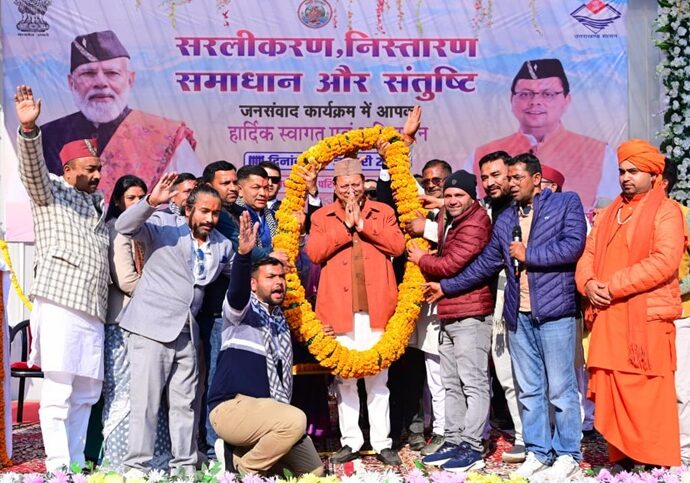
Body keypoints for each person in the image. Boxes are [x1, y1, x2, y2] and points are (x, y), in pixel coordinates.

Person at [426, 153, 586, 480]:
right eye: (508, 178)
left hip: (555, 311)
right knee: (528, 388)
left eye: (517, 178)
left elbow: (573, 247)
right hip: (519, 314)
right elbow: (487, 263)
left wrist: (530, 254)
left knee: (560, 389)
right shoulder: (507, 218)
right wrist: (447, 287)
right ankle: (538, 451)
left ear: (536, 179)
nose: (510, 184)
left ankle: (568, 454)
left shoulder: (565, 203)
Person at [14, 84, 109, 471]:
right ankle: (57, 467)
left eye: (99, 168)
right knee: (59, 391)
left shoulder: (99, 207)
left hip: (93, 309)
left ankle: (76, 464)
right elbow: (33, 172)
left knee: (86, 393)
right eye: (90, 169)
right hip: (60, 304)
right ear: (68, 171)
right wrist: (29, 130)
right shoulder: (51, 193)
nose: (98, 175)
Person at [576, 140, 686, 469]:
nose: (625, 177)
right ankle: (622, 458)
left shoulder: (667, 211)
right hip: (609, 316)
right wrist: (589, 284)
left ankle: (651, 462)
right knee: (614, 387)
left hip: (645, 318)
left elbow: (664, 262)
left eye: (633, 171)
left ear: (654, 175)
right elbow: (587, 256)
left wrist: (611, 286)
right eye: (622, 171)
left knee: (646, 391)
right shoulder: (609, 213)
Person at [116, 180, 234, 473]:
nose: (210, 219)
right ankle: (137, 468)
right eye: (204, 211)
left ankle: (184, 467)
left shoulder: (222, 244)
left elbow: (242, 274)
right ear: (188, 209)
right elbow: (124, 226)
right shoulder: (164, 226)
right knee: (145, 403)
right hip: (151, 327)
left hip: (188, 332)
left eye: (216, 213)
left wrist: (247, 254)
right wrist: (149, 203)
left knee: (186, 404)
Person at [305, 157, 406, 466]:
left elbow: (397, 246)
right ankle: (350, 441)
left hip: (377, 307)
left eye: (356, 184)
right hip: (339, 309)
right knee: (345, 379)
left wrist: (362, 224)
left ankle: (381, 442)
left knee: (378, 380)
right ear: (334, 187)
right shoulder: (322, 216)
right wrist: (345, 226)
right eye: (344, 185)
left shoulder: (383, 212)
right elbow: (314, 252)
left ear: (364, 184)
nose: (351, 190)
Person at [208, 212, 323, 476]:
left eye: (281, 277)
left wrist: (325, 339)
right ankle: (241, 470)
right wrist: (243, 255)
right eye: (270, 277)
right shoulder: (240, 312)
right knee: (295, 419)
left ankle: (238, 456)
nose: (279, 282)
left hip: (269, 414)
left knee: (313, 472)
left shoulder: (280, 320)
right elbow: (236, 292)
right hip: (231, 408)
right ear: (253, 284)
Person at [40, 29, 202, 202]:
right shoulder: (47, 137)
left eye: (112, 73)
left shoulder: (166, 135)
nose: (101, 82)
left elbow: (193, 198)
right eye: (88, 74)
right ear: (72, 83)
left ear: (130, 80)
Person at [407, 170, 493, 472]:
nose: (453, 201)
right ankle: (454, 440)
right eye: (448, 196)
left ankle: (472, 446)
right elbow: (444, 214)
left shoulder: (475, 223)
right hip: (450, 311)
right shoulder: (455, 217)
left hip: (471, 314)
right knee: (451, 383)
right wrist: (438, 204)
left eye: (459, 195)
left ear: (472, 197)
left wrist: (421, 258)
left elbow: (451, 264)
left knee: (473, 383)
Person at [466, 58, 618, 209]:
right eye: (525, 94)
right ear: (512, 99)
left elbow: (611, 208)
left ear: (566, 100)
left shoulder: (599, 153)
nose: (535, 101)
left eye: (547, 94)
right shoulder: (481, 155)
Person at [100, 175, 172, 470]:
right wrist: (168, 293)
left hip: (149, 321)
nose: (138, 202)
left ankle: (155, 457)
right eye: (131, 198)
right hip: (123, 323)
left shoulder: (151, 229)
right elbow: (127, 280)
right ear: (118, 202)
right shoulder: (118, 230)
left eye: (143, 197)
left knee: (152, 389)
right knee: (126, 391)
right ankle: (119, 458)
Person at [476, 151, 524, 464]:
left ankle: (532, 438)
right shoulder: (488, 208)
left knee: (519, 375)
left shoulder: (521, 209)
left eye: (496, 175)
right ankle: (520, 436)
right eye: (485, 177)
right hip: (493, 300)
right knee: (500, 374)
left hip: (520, 298)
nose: (490, 182)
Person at [403, 159, 452, 456]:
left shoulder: (459, 209)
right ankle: (438, 426)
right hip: (423, 303)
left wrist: (428, 229)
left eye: (438, 180)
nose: (432, 185)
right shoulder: (416, 210)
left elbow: (461, 243)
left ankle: (454, 431)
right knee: (431, 370)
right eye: (427, 181)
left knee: (455, 373)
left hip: (453, 299)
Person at [663, 161, 690, 465]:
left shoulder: (684, 215)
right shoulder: (634, 216)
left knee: (681, 387)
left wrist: (672, 289)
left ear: (663, 182)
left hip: (681, 313)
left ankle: (684, 454)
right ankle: (656, 448)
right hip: (645, 314)